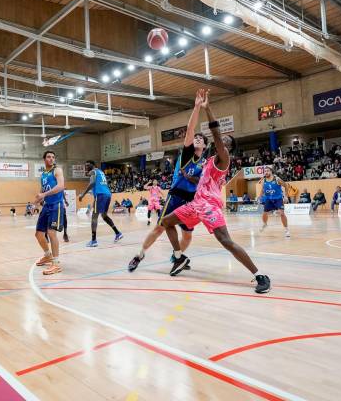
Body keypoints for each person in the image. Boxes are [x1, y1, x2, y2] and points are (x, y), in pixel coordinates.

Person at [158, 89, 271, 294]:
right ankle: (179, 256)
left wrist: (207, 108)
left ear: (228, 148)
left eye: (226, 142)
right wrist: (187, 175)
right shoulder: (208, 162)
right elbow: (201, 180)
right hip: (196, 204)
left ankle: (260, 275)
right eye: (223, 141)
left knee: (226, 241)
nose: (223, 142)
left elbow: (216, 134)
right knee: (166, 222)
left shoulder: (223, 158)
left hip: (210, 206)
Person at [128, 97, 208, 272]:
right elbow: (189, 129)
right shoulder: (187, 155)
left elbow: (201, 183)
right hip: (175, 196)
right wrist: (196, 107)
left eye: (201, 138)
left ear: (205, 145)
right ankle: (139, 255)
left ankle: (176, 257)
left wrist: (192, 178)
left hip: (191, 201)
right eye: (196, 137)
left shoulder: (205, 163)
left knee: (187, 236)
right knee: (159, 228)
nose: (197, 138)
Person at [34, 150, 65, 276]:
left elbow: (61, 186)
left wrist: (44, 194)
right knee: (38, 234)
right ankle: (47, 255)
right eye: (48, 157)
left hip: (56, 205)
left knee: (51, 233)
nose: (51, 159)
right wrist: (35, 202)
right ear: (44, 159)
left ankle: (56, 264)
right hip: (46, 206)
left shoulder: (57, 170)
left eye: (53, 157)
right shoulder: (43, 174)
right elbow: (42, 190)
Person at [79, 160, 122, 247]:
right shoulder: (100, 172)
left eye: (88, 165)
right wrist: (88, 174)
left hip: (100, 194)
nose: (86, 167)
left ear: (93, 165)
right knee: (104, 216)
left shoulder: (93, 171)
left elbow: (92, 183)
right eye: (85, 165)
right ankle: (118, 233)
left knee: (94, 217)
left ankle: (94, 240)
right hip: (107, 194)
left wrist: (83, 194)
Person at [258, 166, 290, 237]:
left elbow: (286, 186)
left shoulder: (277, 179)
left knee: (282, 213)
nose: (266, 172)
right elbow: (263, 190)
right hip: (268, 199)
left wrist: (286, 196)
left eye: (267, 171)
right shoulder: (263, 180)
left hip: (278, 198)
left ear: (271, 171)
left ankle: (286, 230)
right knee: (264, 213)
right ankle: (265, 224)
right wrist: (259, 197)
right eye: (265, 171)